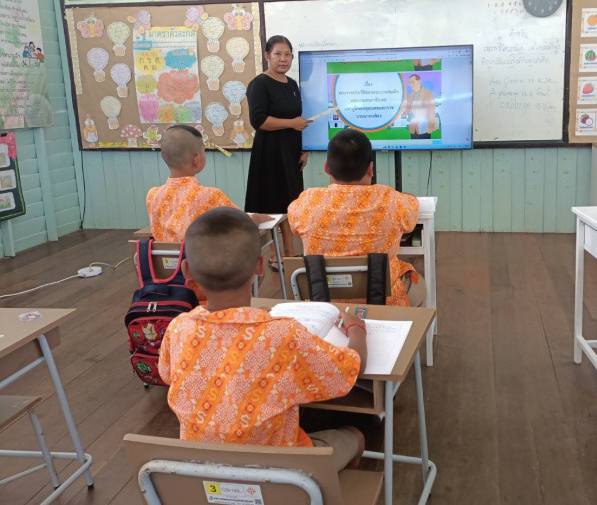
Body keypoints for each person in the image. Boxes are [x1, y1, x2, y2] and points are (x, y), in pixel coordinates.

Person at [159, 208, 367, 470]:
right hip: (281, 475)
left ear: (187, 270)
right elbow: (353, 370)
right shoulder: (284, 334)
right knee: (355, 436)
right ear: (260, 265)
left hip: (204, 474)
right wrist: (357, 327)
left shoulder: (178, 328)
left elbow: (166, 375)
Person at [288, 129, 426, 307]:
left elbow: (293, 225)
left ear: (327, 167)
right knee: (420, 284)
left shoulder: (306, 203)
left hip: (323, 303)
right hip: (384, 300)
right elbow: (412, 211)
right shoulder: (392, 201)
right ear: (371, 169)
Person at [245, 35, 308, 270]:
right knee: (272, 203)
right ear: (267, 56)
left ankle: (290, 251)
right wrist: (291, 123)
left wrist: (303, 149)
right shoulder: (259, 84)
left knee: (289, 203)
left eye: (287, 54)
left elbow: (299, 118)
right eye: (278, 54)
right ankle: (274, 254)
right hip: (269, 153)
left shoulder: (291, 84)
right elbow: (259, 120)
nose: (283, 59)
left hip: (290, 152)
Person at [146, 125, 271, 242]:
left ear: (163, 156)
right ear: (197, 159)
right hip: (202, 257)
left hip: (165, 258)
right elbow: (241, 222)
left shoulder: (153, 195)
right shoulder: (209, 195)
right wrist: (257, 218)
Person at [401, 74, 437, 139]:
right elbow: (407, 109)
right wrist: (403, 111)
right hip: (413, 129)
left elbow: (431, 112)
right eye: (410, 83)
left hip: (425, 129)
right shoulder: (409, 96)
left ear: (419, 81)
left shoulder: (428, 93)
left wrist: (430, 128)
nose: (411, 84)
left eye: (413, 82)